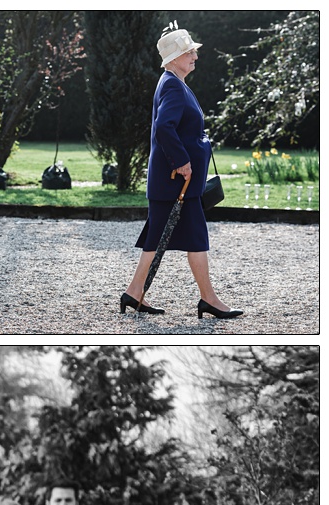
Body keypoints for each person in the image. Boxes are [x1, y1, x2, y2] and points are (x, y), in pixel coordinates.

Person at [119, 24, 242, 320]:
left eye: (193, 52)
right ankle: (208, 300)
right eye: (188, 53)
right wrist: (181, 161)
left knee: (159, 240)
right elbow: (164, 127)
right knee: (195, 238)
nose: (194, 57)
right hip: (176, 182)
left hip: (174, 184)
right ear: (173, 58)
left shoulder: (173, 81)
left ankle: (135, 293)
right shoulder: (172, 84)